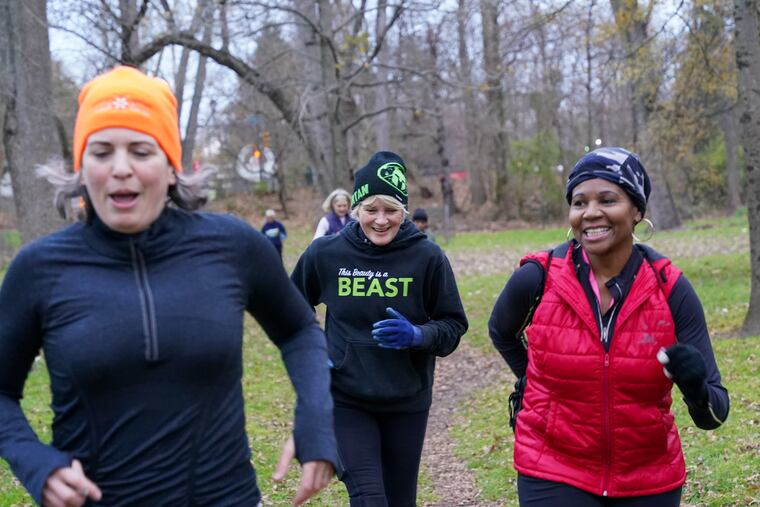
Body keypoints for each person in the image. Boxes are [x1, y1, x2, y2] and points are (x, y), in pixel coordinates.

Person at [0, 65, 336, 507]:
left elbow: (298, 330)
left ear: (172, 167)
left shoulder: (231, 246)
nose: (121, 169)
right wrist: (35, 463)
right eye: (101, 152)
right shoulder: (40, 268)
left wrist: (316, 414)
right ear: (83, 169)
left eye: (141, 150)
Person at [488, 147, 729, 506]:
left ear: (636, 211)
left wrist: (694, 385)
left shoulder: (670, 288)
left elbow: (714, 415)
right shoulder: (537, 279)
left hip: (647, 477)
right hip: (552, 467)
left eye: (607, 199)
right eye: (579, 202)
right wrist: (533, 381)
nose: (591, 213)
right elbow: (501, 332)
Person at [291, 151, 468, 506]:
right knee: (370, 498)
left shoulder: (427, 257)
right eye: (371, 210)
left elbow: (453, 325)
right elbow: (289, 307)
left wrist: (419, 335)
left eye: (391, 210)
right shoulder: (326, 254)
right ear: (355, 209)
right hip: (346, 398)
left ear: (404, 210)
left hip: (407, 399)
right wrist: (312, 350)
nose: (381, 220)